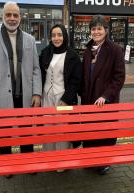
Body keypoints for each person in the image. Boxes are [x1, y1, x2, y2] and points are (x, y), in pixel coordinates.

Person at [0, 1, 42, 157]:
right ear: (3, 16)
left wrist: (37, 93)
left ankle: (27, 161)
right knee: (4, 132)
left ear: (20, 17)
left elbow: (36, 68)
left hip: (25, 93)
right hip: (1, 93)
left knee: (26, 132)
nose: (12, 18)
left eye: (15, 15)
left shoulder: (29, 39)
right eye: (8, 14)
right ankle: (6, 164)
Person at [80, 15, 125, 175]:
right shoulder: (87, 51)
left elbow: (119, 78)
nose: (96, 31)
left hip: (105, 102)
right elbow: (83, 76)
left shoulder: (115, 50)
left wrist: (105, 96)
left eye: (99, 28)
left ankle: (103, 162)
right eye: (93, 29)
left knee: (104, 133)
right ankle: (90, 160)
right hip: (89, 100)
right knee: (90, 132)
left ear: (106, 30)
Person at [39, 24, 82, 159]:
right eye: (53, 35)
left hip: (64, 97)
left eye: (59, 35)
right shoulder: (45, 52)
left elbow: (76, 79)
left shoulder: (72, 55)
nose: (56, 38)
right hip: (46, 96)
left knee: (62, 129)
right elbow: (39, 73)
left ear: (64, 36)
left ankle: (62, 158)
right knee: (48, 128)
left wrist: (67, 99)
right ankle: (49, 156)